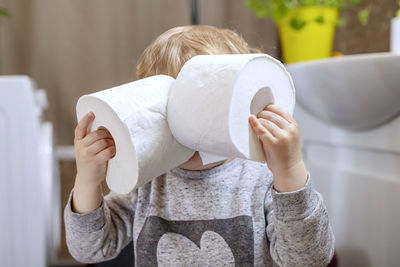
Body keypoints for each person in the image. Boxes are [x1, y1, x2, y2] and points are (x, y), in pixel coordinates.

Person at [64, 25, 335, 266]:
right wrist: (88, 181)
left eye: (198, 107)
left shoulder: (262, 179)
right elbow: (90, 251)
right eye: (167, 111)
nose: (183, 127)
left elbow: (309, 259)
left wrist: (289, 170)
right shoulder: (148, 179)